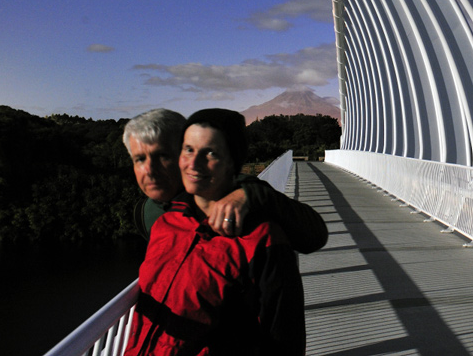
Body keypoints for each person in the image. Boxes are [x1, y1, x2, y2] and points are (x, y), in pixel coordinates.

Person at [124, 109, 306, 356]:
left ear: (233, 162)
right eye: (188, 150)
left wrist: (252, 193)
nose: (194, 163)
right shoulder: (166, 224)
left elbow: (284, 340)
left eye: (210, 153)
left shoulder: (261, 239)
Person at [123, 108, 328, 253]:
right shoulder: (147, 213)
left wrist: (251, 194)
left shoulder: (234, 192)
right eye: (139, 159)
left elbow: (314, 235)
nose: (149, 170)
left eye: (163, 156)